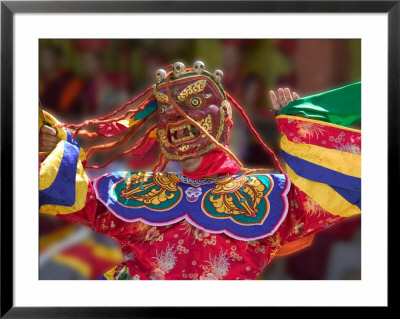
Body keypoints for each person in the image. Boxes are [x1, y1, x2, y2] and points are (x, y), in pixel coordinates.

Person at [39, 61, 361, 280]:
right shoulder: (140, 189)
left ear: (223, 118)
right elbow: (77, 196)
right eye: (167, 109)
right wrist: (59, 148)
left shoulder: (268, 195)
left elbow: (325, 198)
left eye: (193, 104)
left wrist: (300, 130)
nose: (177, 118)